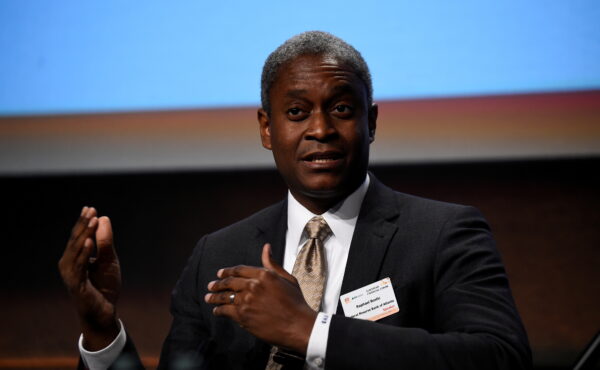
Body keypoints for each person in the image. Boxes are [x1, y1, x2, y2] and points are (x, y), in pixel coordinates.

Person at [58, 31, 531, 370]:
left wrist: (309, 331)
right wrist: (101, 331)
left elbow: (500, 357)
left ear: (372, 122)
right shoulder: (217, 255)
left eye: (342, 109)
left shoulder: (443, 234)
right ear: (267, 128)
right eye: (297, 112)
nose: (321, 130)